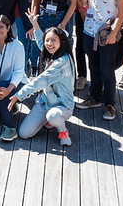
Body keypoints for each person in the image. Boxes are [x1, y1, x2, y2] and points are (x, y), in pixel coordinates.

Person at [75, 0, 123, 121]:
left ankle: (110, 104)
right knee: (93, 66)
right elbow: (83, 2)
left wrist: (113, 33)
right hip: (89, 29)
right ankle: (95, 97)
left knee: (107, 69)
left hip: (106, 31)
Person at [7, 11, 75, 146]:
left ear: (62, 42)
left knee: (54, 116)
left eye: (54, 40)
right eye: (47, 40)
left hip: (62, 106)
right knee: (24, 133)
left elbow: (41, 81)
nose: (49, 44)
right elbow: (40, 42)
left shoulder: (63, 61)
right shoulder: (50, 52)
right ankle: (48, 120)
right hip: (45, 102)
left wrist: (18, 96)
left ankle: (63, 131)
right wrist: (35, 24)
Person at [0, 15, 28, 141]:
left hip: (18, 84)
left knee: (2, 86)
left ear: (8, 28)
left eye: (1, 27)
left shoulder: (17, 46)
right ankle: (9, 105)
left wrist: (8, 89)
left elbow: (19, 72)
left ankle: (10, 127)